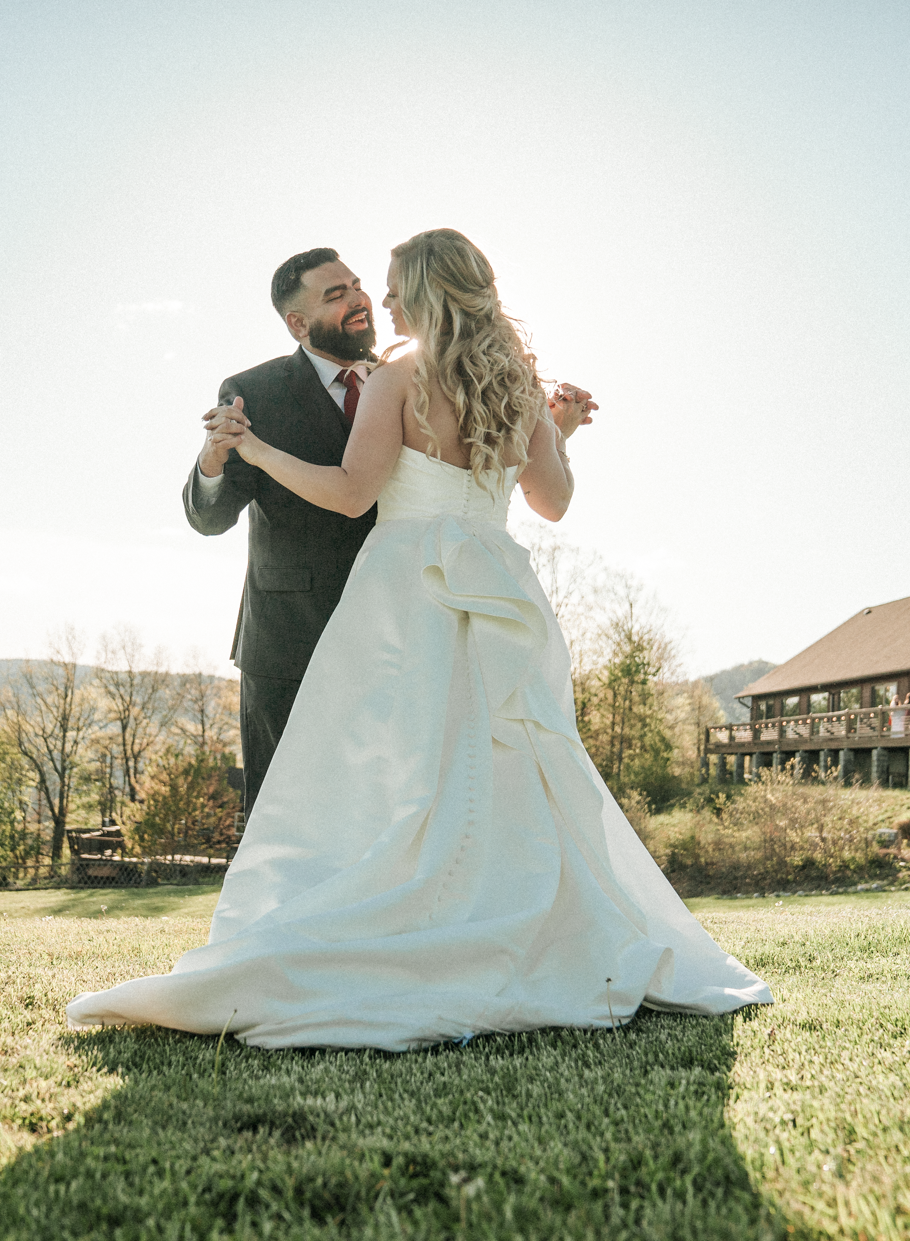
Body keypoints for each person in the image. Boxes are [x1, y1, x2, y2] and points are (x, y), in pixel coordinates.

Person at [70, 229, 770, 1050]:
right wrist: (558, 430)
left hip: (407, 591)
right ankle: (517, 929)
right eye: (353, 290)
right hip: (497, 593)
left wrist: (257, 447)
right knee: (501, 766)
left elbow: (350, 492)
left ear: (428, 293)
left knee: (396, 776)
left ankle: (401, 932)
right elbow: (553, 501)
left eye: (390, 284)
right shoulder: (518, 381)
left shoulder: (399, 374)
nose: (382, 299)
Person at [184, 247, 596, 813]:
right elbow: (210, 517)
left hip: (417, 625)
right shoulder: (255, 391)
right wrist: (217, 456)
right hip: (295, 637)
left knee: (404, 806)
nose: (364, 300)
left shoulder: (408, 378)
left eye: (360, 285)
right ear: (297, 323)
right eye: (338, 294)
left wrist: (551, 433)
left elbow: (357, 491)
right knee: (288, 814)